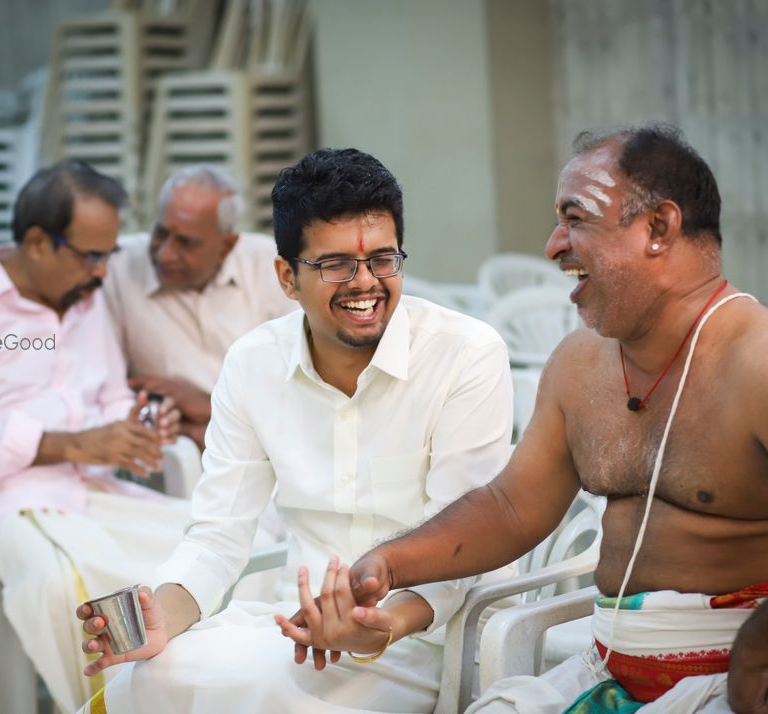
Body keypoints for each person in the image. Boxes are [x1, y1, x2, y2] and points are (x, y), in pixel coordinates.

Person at [331, 125, 768, 714]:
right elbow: (511, 507)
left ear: (659, 228)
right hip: (607, 675)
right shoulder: (579, 364)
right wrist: (387, 564)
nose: (554, 246)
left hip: (762, 682)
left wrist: (760, 648)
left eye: (576, 219)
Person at [73, 147, 515, 713]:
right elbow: (217, 536)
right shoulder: (253, 363)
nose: (366, 285)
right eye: (336, 265)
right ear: (287, 277)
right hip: (292, 631)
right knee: (143, 681)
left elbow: (464, 549)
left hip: (427, 639)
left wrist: (380, 625)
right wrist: (163, 617)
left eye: (383, 260)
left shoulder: (465, 355)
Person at [0, 159, 194, 712]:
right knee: (67, 587)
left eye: (108, 256)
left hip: (93, 496)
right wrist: (72, 444)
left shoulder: (85, 302)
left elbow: (111, 396)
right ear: (37, 243)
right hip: (4, 506)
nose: (101, 273)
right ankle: (108, 705)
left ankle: (180, 698)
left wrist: (139, 425)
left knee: (199, 554)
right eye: (91, 256)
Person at [103, 165, 295, 448]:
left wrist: (207, 406)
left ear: (227, 245)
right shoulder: (117, 267)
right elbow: (103, 390)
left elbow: (299, 392)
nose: (165, 254)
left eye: (186, 243)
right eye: (160, 233)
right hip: (170, 449)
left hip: (273, 449)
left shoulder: (272, 268)